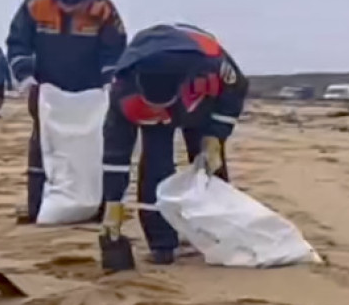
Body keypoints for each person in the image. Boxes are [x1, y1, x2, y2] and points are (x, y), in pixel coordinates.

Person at [100, 23, 248, 264]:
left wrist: (216, 136)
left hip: (200, 104)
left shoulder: (213, 62)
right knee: (155, 165)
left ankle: (218, 233)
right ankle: (162, 245)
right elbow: (116, 151)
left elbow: (235, 92)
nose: (163, 112)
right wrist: (113, 203)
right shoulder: (123, 88)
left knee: (208, 166)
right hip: (153, 117)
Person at [6, 0, 126, 223]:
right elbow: (18, 43)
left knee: (95, 146)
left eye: (76, 4)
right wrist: (25, 77)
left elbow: (114, 49)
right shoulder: (36, 4)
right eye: (64, 3)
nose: (70, 8)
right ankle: (38, 206)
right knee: (43, 143)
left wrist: (110, 82)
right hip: (46, 88)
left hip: (90, 91)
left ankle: (98, 205)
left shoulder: (102, 8)